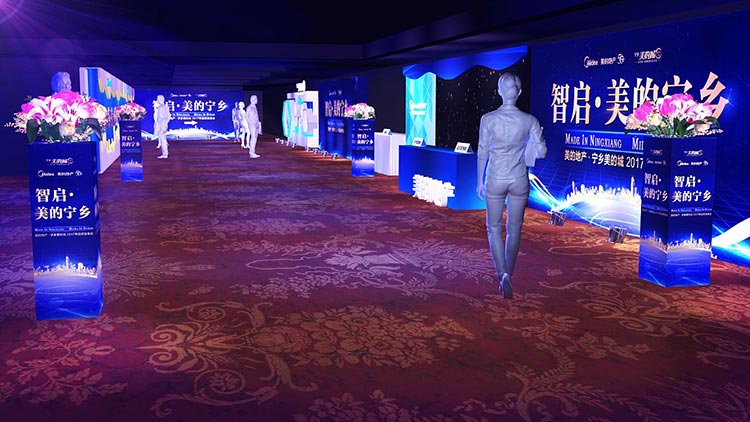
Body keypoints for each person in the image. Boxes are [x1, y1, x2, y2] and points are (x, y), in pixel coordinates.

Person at [476, 73, 547, 299]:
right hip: (519, 179)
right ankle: (509, 273)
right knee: (515, 229)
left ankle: (502, 274)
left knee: (494, 227)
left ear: (499, 92)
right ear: (519, 92)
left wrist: (479, 181)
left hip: (496, 178)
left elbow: (482, 152)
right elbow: (542, 152)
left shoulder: (488, 119)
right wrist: (535, 143)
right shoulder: (530, 120)